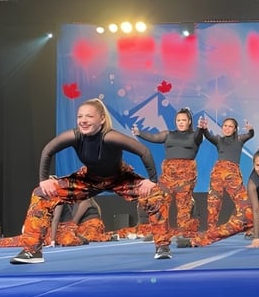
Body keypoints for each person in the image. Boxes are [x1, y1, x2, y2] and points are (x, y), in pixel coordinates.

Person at [9, 97, 168, 264]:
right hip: (89, 179)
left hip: (119, 178)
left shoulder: (110, 137)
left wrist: (152, 181)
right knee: (41, 193)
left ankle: (162, 246)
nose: (83, 121)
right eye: (80, 117)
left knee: (156, 193)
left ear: (102, 120)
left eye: (89, 117)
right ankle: (32, 251)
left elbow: (144, 151)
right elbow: (48, 150)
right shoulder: (75, 136)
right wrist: (43, 181)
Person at [132, 108, 203, 238]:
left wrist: (200, 128)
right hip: (168, 175)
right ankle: (158, 231)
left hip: (186, 176)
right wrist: (139, 133)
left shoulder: (194, 136)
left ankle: (184, 234)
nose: (181, 122)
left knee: (183, 205)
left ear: (189, 122)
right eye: (178, 120)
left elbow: (198, 136)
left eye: (184, 120)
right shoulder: (168, 134)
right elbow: (154, 137)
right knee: (159, 202)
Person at [190, 117, 255, 246]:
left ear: (235, 129)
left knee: (244, 205)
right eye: (225, 125)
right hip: (218, 174)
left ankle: (249, 228)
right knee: (213, 204)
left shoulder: (239, 139)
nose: (227, 128)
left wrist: (251, 129)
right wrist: (203, 128)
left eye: (230, 126)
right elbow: (208, 135)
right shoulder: (219, 140)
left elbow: (250, 135)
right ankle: (210, 232)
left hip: (233, 175)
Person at [0, 198, 101, 248]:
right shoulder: (45, 199)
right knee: (28, 239)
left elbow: (55, 219)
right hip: (54, 229)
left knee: (67, 240)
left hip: (64, 228)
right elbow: (41, 218)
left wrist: (52, 241)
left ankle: (81, 239)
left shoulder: (59, 198)